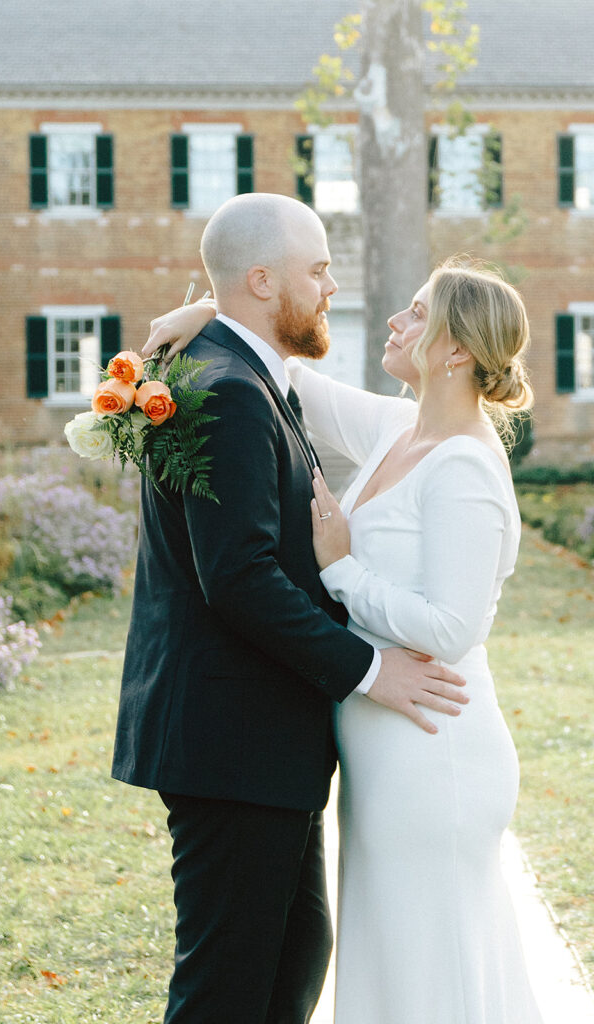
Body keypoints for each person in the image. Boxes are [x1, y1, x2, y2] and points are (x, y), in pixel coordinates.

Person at [148, 255, 545, 1023]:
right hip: (381, 749)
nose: (394, 322)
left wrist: (343, 570)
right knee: (389, 952)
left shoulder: (463, 464)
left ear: (455, 350)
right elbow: (286, 380)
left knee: (432, 958)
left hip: (435, 744)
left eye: (415, 313)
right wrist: (208, 316)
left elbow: (453, 627)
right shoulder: (401, 426)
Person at [112, 192, 468, 1024]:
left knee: (291, 960)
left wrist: (204, 304)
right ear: (265, 282)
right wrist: (373, 672)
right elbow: (238, 578)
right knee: (228, 988)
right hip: (230, 738)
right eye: (318, 270)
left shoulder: (243, 376)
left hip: (259, 738)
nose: (333, 286)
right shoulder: (230, 389)